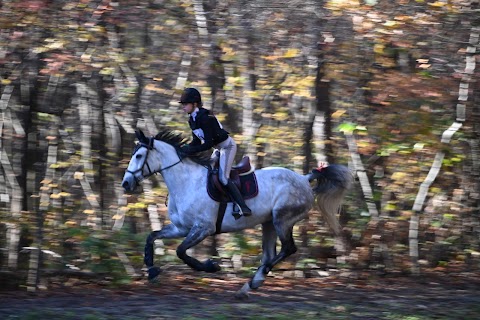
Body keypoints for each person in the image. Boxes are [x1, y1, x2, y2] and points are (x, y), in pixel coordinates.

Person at [178, 88, 252, 217]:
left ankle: (242, 206)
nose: (183, 107)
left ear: (194, 104)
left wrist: (190, 150)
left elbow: (207, 144)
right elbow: (196, 142)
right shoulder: (192, 119)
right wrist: (184, 149)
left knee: (223, 178)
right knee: (208, 175)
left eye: (185, 104)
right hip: (218, 149)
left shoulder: (205, 118)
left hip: (227, 147)